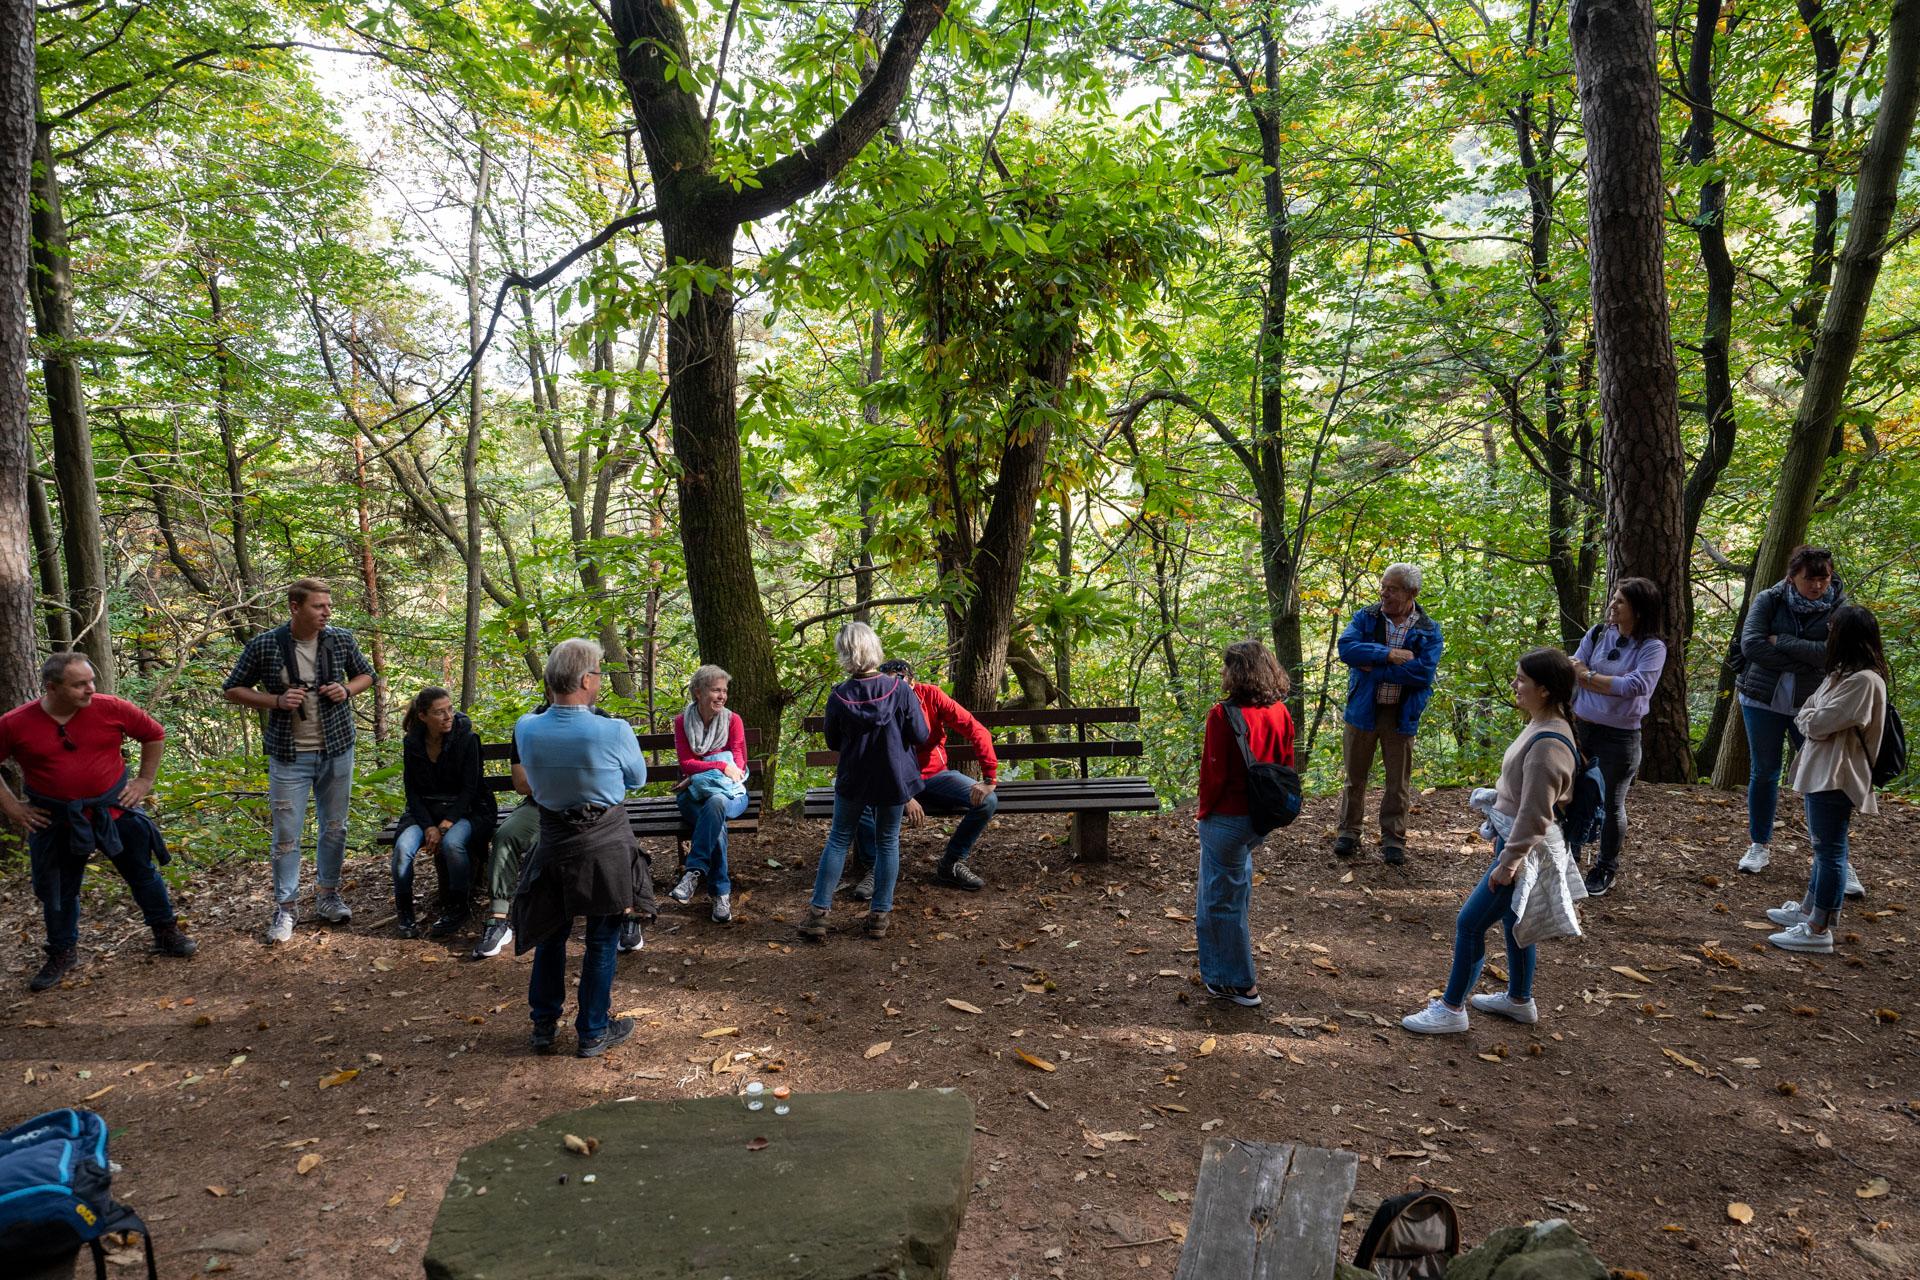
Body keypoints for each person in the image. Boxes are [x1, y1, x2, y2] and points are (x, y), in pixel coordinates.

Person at [1402, 648, 1576, 1035]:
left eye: (1521, 680)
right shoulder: (1541, 723)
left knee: (1469, 924)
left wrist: (1508, 863)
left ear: (1544, 690)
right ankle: (1519, 999)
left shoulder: (1549, 744)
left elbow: (1535, 814)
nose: (1514, 685)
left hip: (1522, 848)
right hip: (1516, 841)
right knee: (1516, 919)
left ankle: (1451, 1008)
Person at [0, 654, 197, 990]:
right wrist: (12, 808)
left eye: (91, 680)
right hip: (55, 818)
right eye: (80, 684)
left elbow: (154, 734)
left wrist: (143, 782)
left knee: (143, 873)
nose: (91, 688)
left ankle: (166, 932)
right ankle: (62, 951)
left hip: (115, 809)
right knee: (59, 890)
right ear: (52, 687)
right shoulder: (15, 723)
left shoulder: (111, 707)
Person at [509, 639, 648, 1057]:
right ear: (586, 679)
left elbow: (530, 781)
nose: (601, 682)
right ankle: (592, 1031)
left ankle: (543, 1026)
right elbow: (637, 779)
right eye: (600, 674)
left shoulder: (527, 727)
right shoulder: (613, 729)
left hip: (553, 842)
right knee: (602, 939)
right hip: (604, 842)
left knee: (552, 935)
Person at [222, 578, 376, 943]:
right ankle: (286, 908)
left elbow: (367, 674)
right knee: (287, 836)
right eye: (318, 606)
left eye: (328, 605)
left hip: (337, 748)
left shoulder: (340, 639)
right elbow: (232, 689)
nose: (327, 612)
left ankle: (328, 896)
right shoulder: (265, 645)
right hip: (289, 755)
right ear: (295, 607)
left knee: (335, 827)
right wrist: (275, 701)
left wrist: (347, 689)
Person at [1734, 546, 1862, 901]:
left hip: (1814, 705)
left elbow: (1835, 653)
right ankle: (1759, 844)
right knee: (1764, 772)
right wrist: (1810, 654)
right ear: (1793, 577)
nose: (1818, 586)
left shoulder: (1842, 607)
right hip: (1762, 699)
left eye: (1824, 578)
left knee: (1823, 778)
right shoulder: (1769, 599)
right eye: (1811, 579)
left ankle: (1836, 860)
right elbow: (1752, 646)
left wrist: (1787, 644)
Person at [1763, 606, 1889, 954]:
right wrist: (1810, 718)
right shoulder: (1840, 675)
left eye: (1832, 630)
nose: (1826, 636)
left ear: (1845, 636)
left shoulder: (1864, 681)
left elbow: (1816, 722)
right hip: (1822, 770)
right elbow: (1808, 710)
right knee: (1824, 847)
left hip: (1837, 774)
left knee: (1829, 850)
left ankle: (1819, 929)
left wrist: (1810, 718)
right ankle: (1809, 911)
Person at [797, 623, 928, 943]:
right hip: (892, 780)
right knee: (888, 841)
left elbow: (832, 741)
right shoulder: (899, 691)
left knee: (839, 839)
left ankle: (818, 914)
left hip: (854, 778)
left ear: (845, 654)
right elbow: (921, 735)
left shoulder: (839, 695)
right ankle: (879, 916)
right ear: (874, 649)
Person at [1194, 642, 1296, 1009]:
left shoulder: (1222, 716)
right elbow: (1285, 763)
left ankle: (1237, 983)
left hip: (1228, 817)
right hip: (1259, 819)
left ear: (1237, 672)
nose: (1222, 675)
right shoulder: (1280, 711)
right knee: (1233, 892)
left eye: (1226, 668)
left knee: (1221, 901)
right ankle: (1224, 972)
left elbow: (1213, 774)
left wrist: (1204, 813)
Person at [846, 658, 1000, 898]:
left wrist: (989, 778)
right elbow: (875, 755)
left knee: (988, 801)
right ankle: (875, 868)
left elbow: (975, 729)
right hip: (892, 780)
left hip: (934, 776)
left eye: (901, 679)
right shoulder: (877, 701)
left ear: (913, 681)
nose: (895, 685)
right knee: (861, 803)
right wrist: (904, 793)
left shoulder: (931, 696)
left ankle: (952, 863)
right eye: (889, 681)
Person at [1567, 578, 1670, 897]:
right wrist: (1594, 679)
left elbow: (1635, 687)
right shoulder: (1599, 633)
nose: (1612, 605)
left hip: (1620, 738)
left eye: (1620, 601)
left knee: (1611, 803)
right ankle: (1569, 860)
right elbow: (1572, 664)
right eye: (1613, 599)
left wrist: (1589, 677)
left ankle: (1605, 868)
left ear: (1638, 610)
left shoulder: (1653, 647)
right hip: (1582, 728)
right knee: (1571, 796)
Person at [1335, 563, 1444, 865]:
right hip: (1363, 711)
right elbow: (1346, 649)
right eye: (1383, 586)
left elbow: (1423, 674)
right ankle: (1348, 832)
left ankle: (1393, 839)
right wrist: (1389, 655)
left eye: (1392, 588)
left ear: (1412, 593)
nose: (1384, 593)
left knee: (1398, 782)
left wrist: (1375, 667)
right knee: (1354, 777)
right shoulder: (1367, 617)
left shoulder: (1428, 629)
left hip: (1401, 714)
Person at [392, 687, 495, 940]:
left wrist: (445, 825)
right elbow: (412, 791)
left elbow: (471, 788)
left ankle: (457, 906)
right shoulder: (413, 742)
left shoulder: (467, 738)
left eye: (450, 709)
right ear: (423, 716)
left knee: (453, 844)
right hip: (426, 810)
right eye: (440, 712)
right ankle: (405, 913)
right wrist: (429, 826)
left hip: (467, 810)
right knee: (403, 848)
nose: (448, 716)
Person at [667, 665, 749, 924]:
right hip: (693, 795)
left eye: (724, 691)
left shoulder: (733, 720)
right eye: (716, 690)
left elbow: (739, 763)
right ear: (698, 693)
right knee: (717, 821)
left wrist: (704, 770)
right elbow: (686, 763)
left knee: (716, 803)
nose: (722, 696)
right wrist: (719, 765)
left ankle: (693, 873)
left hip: (731, 794)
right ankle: (720, 893)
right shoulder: (682, 722)